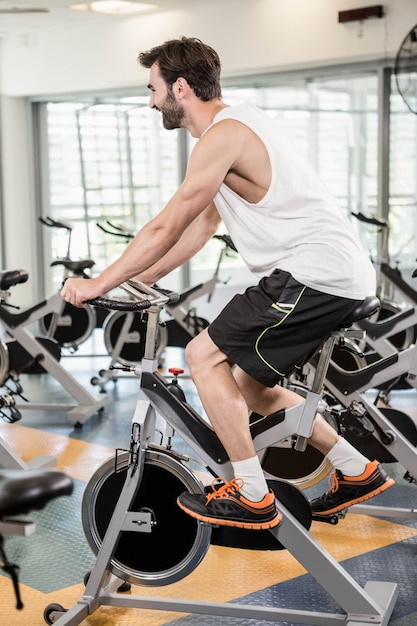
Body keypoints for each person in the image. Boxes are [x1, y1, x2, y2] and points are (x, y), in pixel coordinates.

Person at [61, 36, 394, 531]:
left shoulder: (223, 135)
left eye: (152, 89)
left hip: (312, 273)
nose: (150, 100)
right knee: (249, 388)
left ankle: (251, 494)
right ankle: (356, 468)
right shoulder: (238, 130)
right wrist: (143, 279)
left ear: (180, 86)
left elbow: (166, 223)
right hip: (332, 274)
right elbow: (199, 227)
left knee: (200, 355)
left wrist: (97, 284)